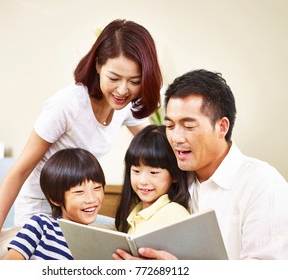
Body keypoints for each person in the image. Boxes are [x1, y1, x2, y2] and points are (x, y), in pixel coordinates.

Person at [0, 19, 162, 260]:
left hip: (79, 209)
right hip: (43, 210)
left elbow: (156, 148)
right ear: (98, 65)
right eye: (114, 78)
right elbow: (20, 170)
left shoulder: (125, 105)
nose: (122, 90)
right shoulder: (67, 105)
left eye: (135, 81)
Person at [114, 69, 288, 260]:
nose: (176, 138)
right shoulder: (174, 179)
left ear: (221, 127)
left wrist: (183, 272)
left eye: (189, 126)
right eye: (170, 126)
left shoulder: (262, 183)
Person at [3, 148, 105, 260]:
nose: (91, 199)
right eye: (79, 192)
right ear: (55, 199)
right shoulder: (41, 224)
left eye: (97, 188)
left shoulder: (99, 242)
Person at [115, 124, 190, 234]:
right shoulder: (136, 212)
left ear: (175, 175)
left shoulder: (174, 215)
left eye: (153, 172)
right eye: (136, 171)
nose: (143, 181)